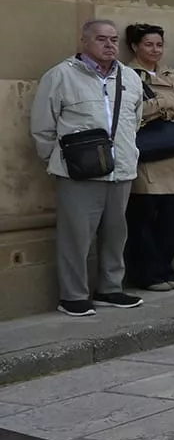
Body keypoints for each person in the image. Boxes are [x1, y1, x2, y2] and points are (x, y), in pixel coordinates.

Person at [31, 19, 145, 316]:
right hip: (78, 172)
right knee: (76, 236)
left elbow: (136, 118)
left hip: (120, 169)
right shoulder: (60, 76)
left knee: (116, 232)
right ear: (84, 42)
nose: (109, 45)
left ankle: (111, 288)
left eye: (113, 40)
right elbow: (43, 127)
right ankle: (73, 295)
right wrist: (58, 161)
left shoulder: (130, 77)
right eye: (101, 39)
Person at [123, 23, 174, 292]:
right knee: (143, 218)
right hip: (148, 156)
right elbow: (132, 112)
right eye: (148, 44)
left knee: (172, 217)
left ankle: (165, 269)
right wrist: (167, 105)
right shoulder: (128, 74)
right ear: (134, 46)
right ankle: (147, 274)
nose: (155, 50)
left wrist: (162, 109)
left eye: (159, 45)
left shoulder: (171, 73)